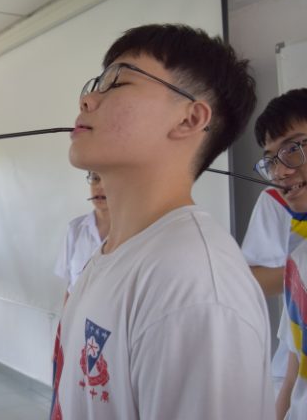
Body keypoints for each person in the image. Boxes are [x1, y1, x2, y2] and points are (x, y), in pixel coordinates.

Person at [51, 24, 273, 419]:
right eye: (96, 84)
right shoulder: (110, 256)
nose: (87, 99)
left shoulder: (194, 286)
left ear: (189, 119)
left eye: (117, 83)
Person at [251, 88, 307, 419]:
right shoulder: (298, 261)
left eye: (293, 149)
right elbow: (294, 369)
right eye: (271, 160)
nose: (280, 172)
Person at [242, 186, 307, 396]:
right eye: (270, 168)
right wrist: (298, 272)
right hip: (294, 368)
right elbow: (253, 280)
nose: (281, 172)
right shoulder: (280, 197)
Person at [54, 170, 110, 302]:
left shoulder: (133, 233)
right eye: (95, 178)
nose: (100, 186)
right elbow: (70, 285)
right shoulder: (75, 228)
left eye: (107, 178)